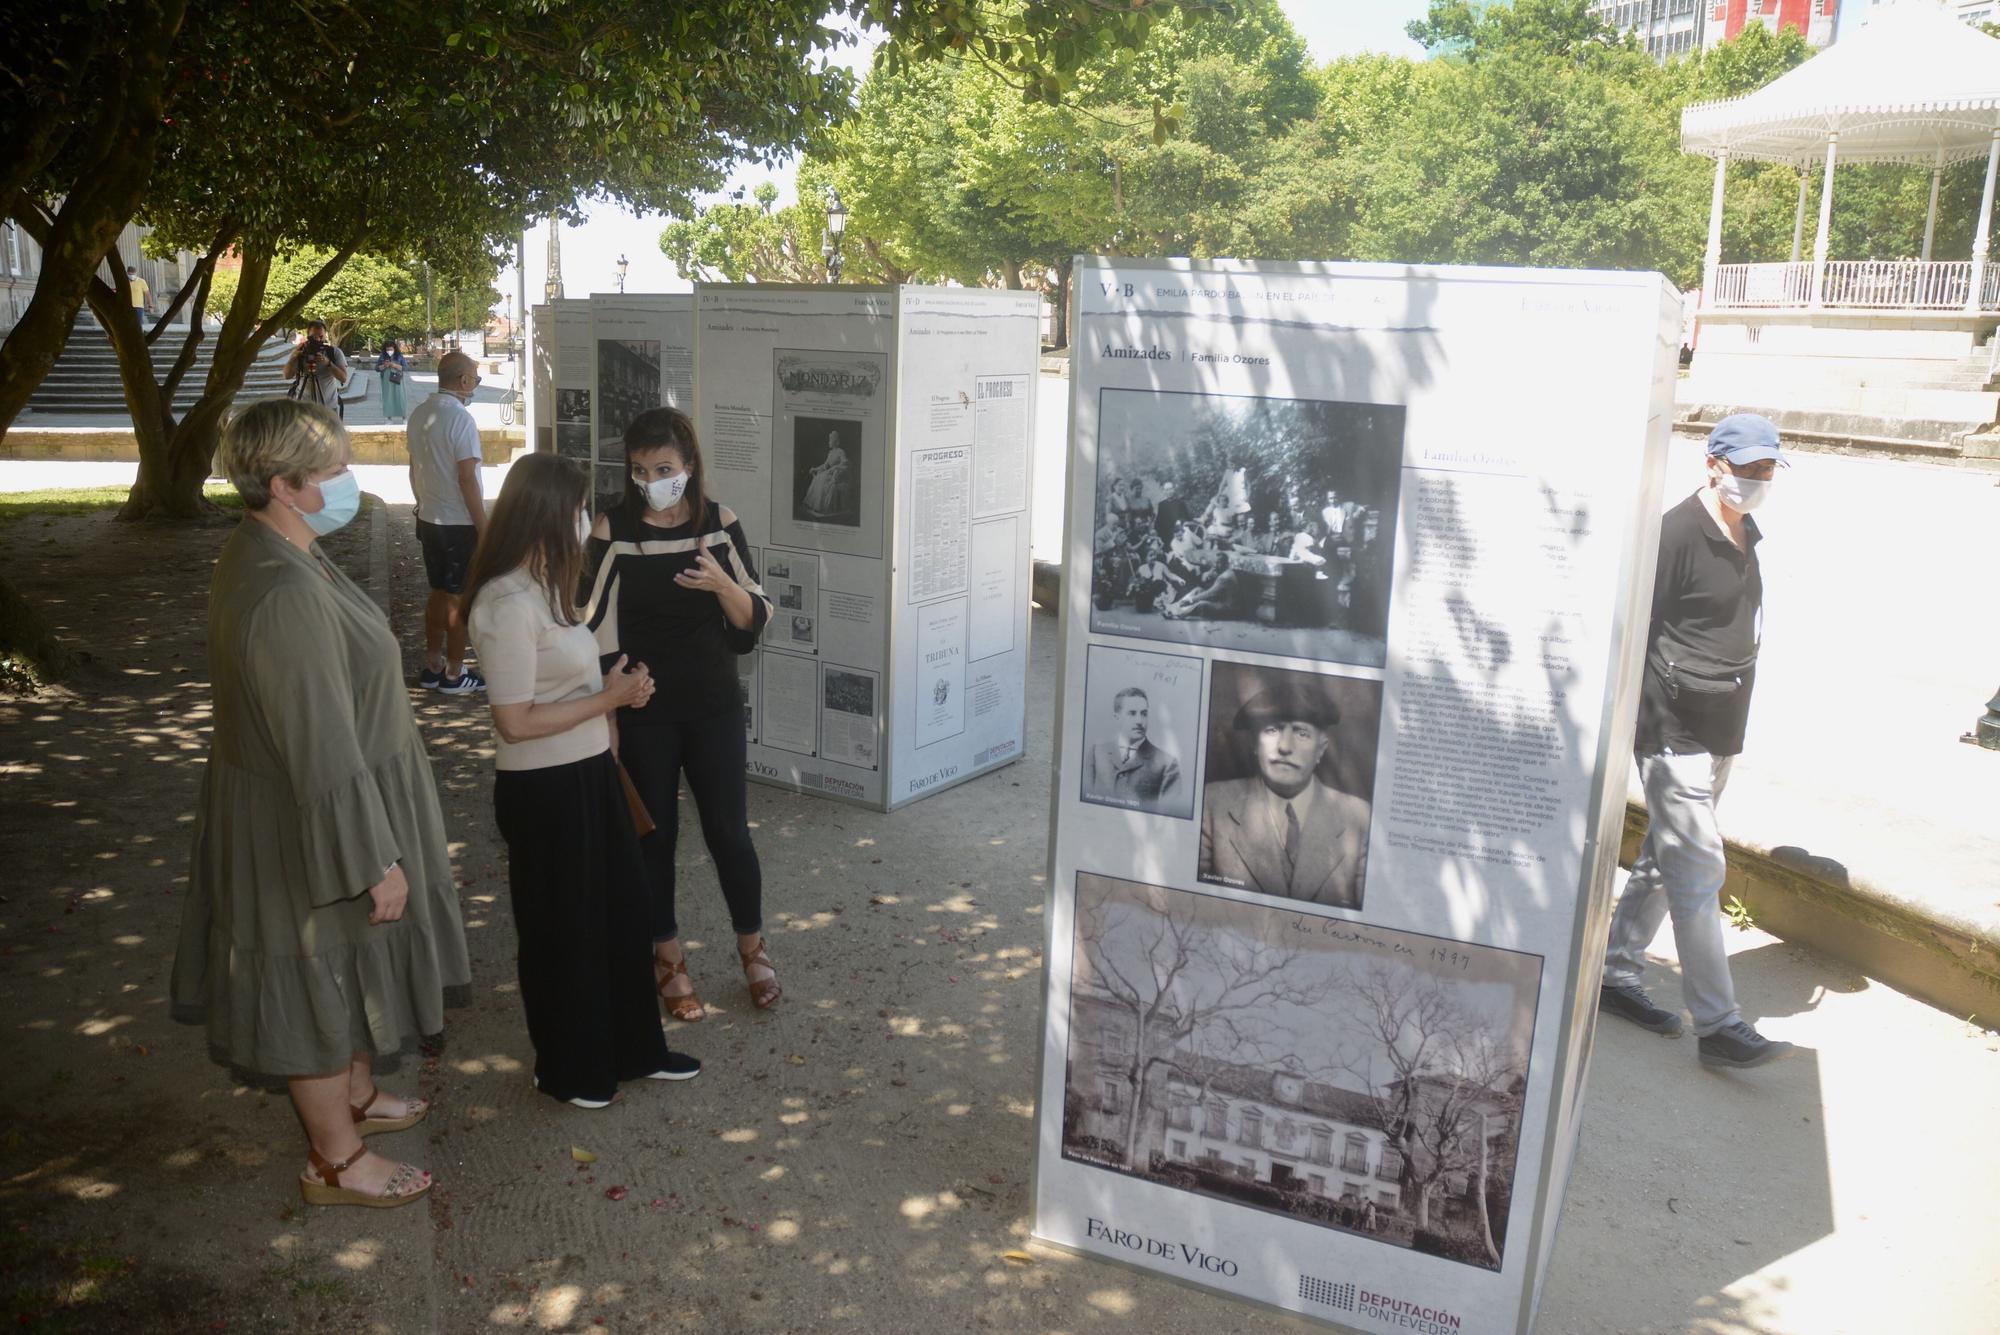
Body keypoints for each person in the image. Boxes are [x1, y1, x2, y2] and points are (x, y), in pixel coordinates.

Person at [170, 398, 471, 1209]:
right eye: (332, 470)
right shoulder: (282, 588)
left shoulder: (281, 548)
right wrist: (373, 857)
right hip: (310, 817)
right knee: (313, 976)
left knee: (346, 960)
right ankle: (334, 1160)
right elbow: (318, 740)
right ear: (284, 485)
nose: (348, 480)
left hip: (322, 798)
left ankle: (359, 1097)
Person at [463, 453, 700, 1107]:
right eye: (575, 509)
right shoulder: (504, 600)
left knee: (622, 916)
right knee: (562, 930)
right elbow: (515, 721)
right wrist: (609, 699)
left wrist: (618, 690)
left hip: (591, 772)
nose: (584, 521)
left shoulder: (546, 583)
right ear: (545, 514)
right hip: (544, 789)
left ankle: (633, 1050)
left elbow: (568, 680)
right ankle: (568, 1069)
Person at [1599, 414, 1796, 1070]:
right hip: (1672, 729)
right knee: (1701, 867)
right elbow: (1633, 631)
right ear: (1713, 462)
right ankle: (1719, 1024)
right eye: (1746, 467)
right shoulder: (1678, 532)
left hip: (1720, 731)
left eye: (1766, 469)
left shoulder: (1747, 533)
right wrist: (1639, 724)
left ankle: (1616, 972)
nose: (1755, 479)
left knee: (1666, 857)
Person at [585, 406, 780, 1021]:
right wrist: (610, 705)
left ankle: (753, 948)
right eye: (640, 469)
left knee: (729, 833)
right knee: (657, 839)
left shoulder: (718, 524)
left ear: (689, 466)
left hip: (714, 704)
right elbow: (587, 622)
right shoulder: (610, 528)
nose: (651, 480)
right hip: (644, 709)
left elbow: (756, 616)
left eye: (663, 468)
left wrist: (722, 585)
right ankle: (667, 958)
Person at [1199, 683, 1370, 907]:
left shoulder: (1360, 817)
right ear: (1254, 744)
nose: (1285, 747)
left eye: (1301, 733)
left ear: (1321, 749)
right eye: (1272, 730)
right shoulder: (1212, 804)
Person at [406, 351, 488, 694]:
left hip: (430, 516)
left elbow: (413, 468)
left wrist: (421, 503)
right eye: (476, 377)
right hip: (457, 523)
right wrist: (484, 528)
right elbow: (467, 478)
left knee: (439, 591)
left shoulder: (420, 414)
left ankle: (433, 664)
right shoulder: (461, 420)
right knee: (460, 598)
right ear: (464, 381)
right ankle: (455, 674)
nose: (476, 383)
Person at [1082, 687, 1182, 812]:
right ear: (1117, 717)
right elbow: (1084, 804)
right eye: (1132, 713)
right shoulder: (1096, 753)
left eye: (1144, 714)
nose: (1139, 721)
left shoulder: (1167, 764)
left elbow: (1167, 819)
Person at [284, 319, 350, 415]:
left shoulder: (334, 352)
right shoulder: (300, 352)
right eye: (314, 337)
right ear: (308, 336)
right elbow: (287, 376)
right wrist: (293, 358)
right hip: (304, 407)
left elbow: (343, 378)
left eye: (321, 336)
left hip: (328, 407)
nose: (318, 339)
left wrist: (328, 363)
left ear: (325, 335)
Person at [1161, 551, 1252, 621]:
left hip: (1228, 608)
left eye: (1218, 563)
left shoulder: (1226, 577)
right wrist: (1210, 573)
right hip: (1220, 600)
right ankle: (1175, 607)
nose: (1215, 565)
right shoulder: (1222, 570)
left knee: (1201, 604)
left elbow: (1210, 593)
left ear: (1225, 564)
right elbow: (1203, 579)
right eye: (1215, 562)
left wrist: (1191, 600)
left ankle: (1177, 614)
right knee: (1198, 589)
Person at [801, 430, 850, 518]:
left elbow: (845, 463)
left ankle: (821, 507)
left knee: (822, 479)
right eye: (829, 440)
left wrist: (835, 468)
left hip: (836, 475)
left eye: (830, 440)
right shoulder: (830, 453)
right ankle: (814, 505)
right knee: (818, 477)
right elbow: (825, 466)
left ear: (835, 441)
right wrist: (815, 469)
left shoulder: (840, 452)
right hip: (828, 473)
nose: (829, 442)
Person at [376, 339, 409, 423]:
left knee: (400, 397)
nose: (389, 351)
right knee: (387, 398)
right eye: (387, 349)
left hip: (397, 379)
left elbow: (405, 368)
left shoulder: (399, 356)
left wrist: (394, 365)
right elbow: (376, 368)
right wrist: (384, 365)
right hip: (386, 380)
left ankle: (404, 417)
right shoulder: (382, 356)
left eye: (391, 349)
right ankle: (388, 418)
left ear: (394, 349)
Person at [1153, 480, 1190, 545]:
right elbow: (1158, 522)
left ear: (1174, 490)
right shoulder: (1161, 505)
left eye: (1170, 489)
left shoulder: (1180, 503)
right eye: (1167, 490)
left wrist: (1180, 521)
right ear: (1164, 491)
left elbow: (1186, 517)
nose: (1169, 492)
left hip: (1179, 532)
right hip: (1166, 534)